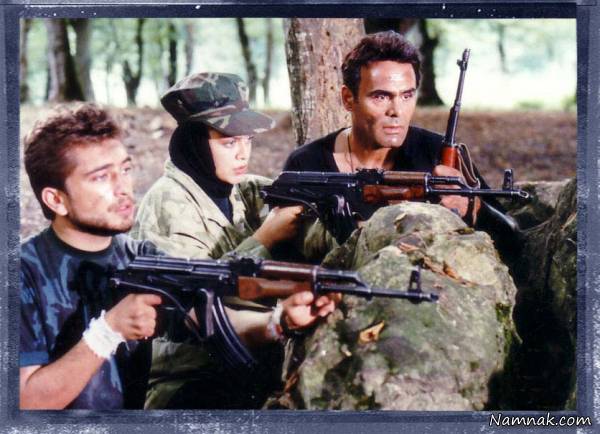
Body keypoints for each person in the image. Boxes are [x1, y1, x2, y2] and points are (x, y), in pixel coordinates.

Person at [19, 103, 334, 410]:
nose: (123, 188)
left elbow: (205, 317)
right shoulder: (22, 273)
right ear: (56, 200)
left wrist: (279, 322)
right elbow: (23, 402)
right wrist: (106, 333)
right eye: (101, 177)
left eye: (125, 169)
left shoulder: (139, 255)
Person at [131, 73, 337, 409]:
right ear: (195, 143)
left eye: (248, 140)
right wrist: (263, 238)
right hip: (185, 379)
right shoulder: (168, 203)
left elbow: (307, 225)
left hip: (254, 358)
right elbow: (196, 302)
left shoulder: (245, 190)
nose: (243, 154)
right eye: (229, 143)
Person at [283, 30, 518, 256]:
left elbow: (513, 238)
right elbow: (286, 254)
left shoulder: (437, 152)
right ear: (348, 99)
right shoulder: (307, 163)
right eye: (381, 96)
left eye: (407, 95)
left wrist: (475, 207)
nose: (397, 111)